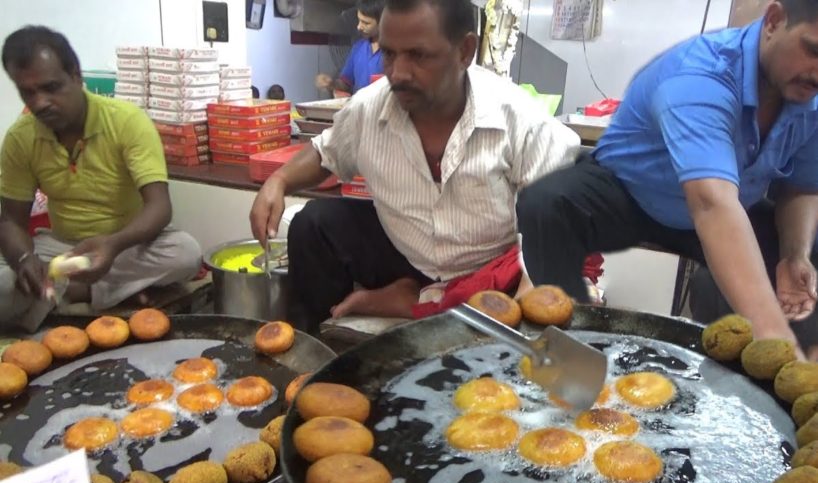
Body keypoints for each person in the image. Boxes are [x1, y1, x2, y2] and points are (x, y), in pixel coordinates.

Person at [250, 0, 580, 332]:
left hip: (486, 267)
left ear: (464, 50)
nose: (399, 73)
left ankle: (421, 300)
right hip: (404, 253)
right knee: (313, 224)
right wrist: (278, 181)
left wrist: (524, 318)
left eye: (418, 56)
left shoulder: (522, 121)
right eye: (390, 54)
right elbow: (325, 153)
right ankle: (311, 354)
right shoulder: (369, 107)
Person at [516, 0, 818, 360]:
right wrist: (774, 337)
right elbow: (711, 202)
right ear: (773, 21)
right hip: (633, 193)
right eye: (812, 49)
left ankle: (755, 375)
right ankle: (573, 346)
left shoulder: (808, 96)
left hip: (730, 205)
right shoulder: (702, 75)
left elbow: (801, 184)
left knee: (808, 252)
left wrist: (794, 253)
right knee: (547, 204)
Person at [0, 26, 202, 332]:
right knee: (5, 280)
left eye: (51, 87)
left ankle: (64, 294)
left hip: (126, 245)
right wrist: (25, 260)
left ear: (77, 77)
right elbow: (11, 221)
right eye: (28, 92)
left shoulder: (126, 121)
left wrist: (113, 245)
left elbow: (160, 207)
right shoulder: (20, 138)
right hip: (60, 250)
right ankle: (95, 292)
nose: (40, 102)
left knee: (186, 253)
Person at [315, 0, 385, 95]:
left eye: (366, 23)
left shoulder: (398, 51)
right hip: (358, 108)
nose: (359, 27)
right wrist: (331, 83)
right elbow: (346, 83)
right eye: (359, 20)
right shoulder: (358, 47)